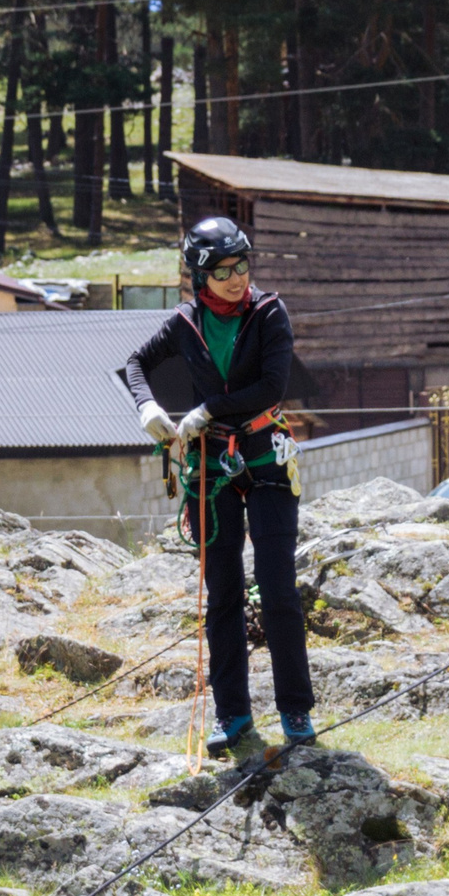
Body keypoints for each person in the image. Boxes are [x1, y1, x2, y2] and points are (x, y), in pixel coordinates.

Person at [123, 216, 322, 763]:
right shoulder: (185, 323)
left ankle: (295, 709)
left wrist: (206, 409)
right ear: (200, 276)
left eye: (243, 266)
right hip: (211, 468)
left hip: (264, 457)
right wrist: (148, 409)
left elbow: (270, 387)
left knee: (278, 586)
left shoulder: (269, 313)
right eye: (224, 271)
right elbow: (136, 365)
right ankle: (232, 712)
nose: (237, 279)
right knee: (224, 590)